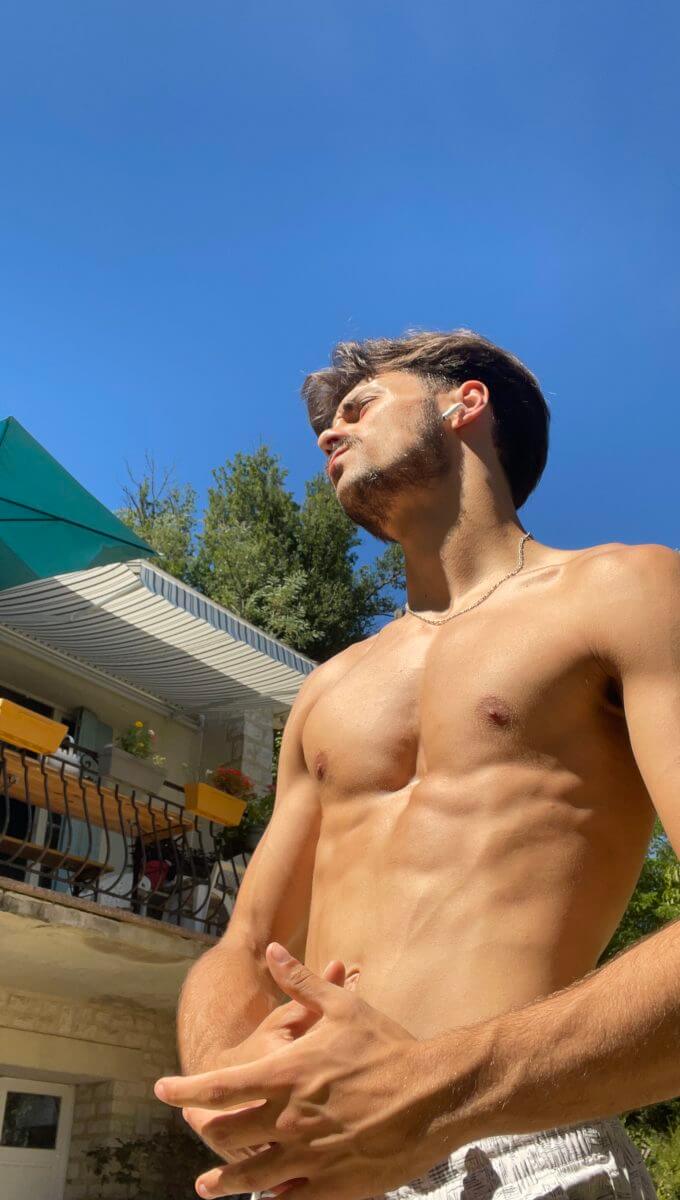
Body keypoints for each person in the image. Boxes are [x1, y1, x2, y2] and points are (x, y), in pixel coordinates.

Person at [154, 329, 680, 1200]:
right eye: (327, 425)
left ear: (464, 403)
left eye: (360, 407)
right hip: (313, 1156)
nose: (330, 434)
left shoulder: (626, 591)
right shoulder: (330, 687)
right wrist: (224, 1082)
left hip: (513, 1141)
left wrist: (434, 1092)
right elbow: (244, 947)